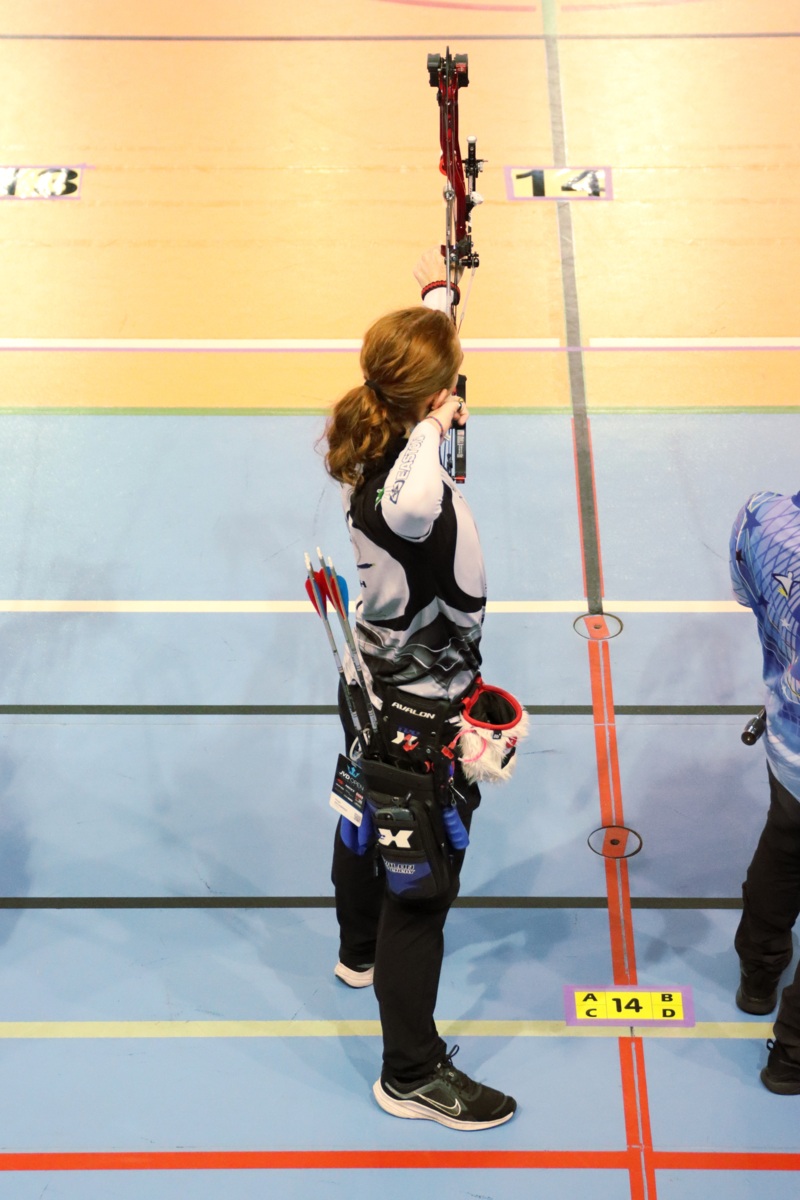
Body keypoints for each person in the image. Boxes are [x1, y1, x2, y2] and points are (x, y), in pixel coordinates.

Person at [320, 248, 517, 1130]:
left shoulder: (373, 438)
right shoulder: (410, 487)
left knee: (360, 821)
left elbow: (418, 403)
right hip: (425, 728)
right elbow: (413, 499)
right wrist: (439, 423)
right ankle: (410, 1074)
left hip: (373, 692)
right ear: (430, 400)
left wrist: (439, 301)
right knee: (423, 900)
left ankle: (354, 950)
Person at [731, 489, 800, 1094]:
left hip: (787, 746)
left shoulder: (763, 519)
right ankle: (794, 1056)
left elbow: (750, 595)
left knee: (784, 849)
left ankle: (758, 975)